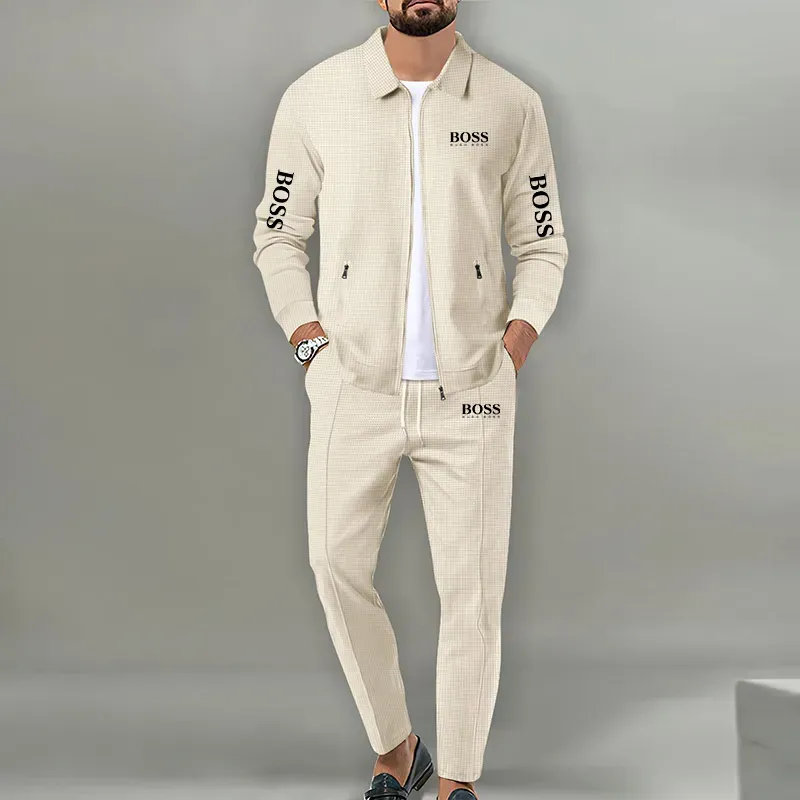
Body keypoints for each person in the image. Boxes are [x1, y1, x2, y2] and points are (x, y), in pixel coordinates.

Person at [252, 1, 568, 798]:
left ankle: (457, 779)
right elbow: (279, 234)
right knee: (334, 564)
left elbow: (542, 241)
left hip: (473, 391)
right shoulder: (316, 98)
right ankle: (397, 747)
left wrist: (515, 344)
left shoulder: (510, 103)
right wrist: (310, 343)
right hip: (353, 386)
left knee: (473, 594)